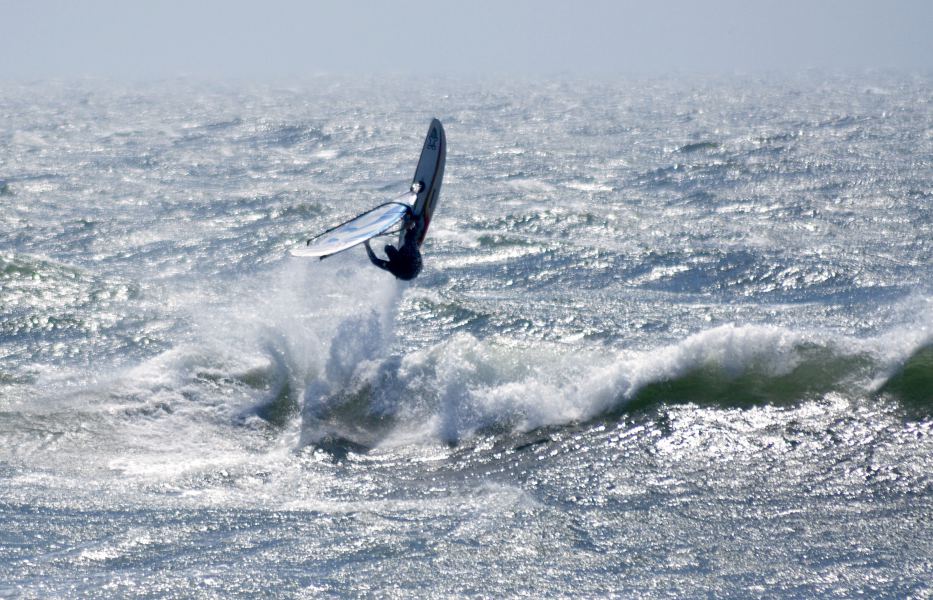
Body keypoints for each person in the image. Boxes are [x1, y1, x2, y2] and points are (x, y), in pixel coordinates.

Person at [364, 208, 423, 280]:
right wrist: (412, 225)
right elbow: (375, 261)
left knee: (400, 247)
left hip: (408, 272)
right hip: (414, 267)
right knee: (409, 239)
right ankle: (416, 223)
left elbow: (375, 261)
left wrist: (367, 245)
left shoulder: (391, 265)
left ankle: (410, 231)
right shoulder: (392, 266)